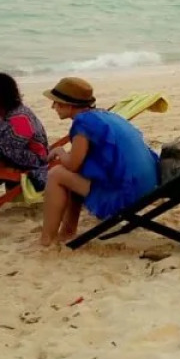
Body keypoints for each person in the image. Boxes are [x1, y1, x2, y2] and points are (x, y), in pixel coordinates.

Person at [38, 77, 158, 247]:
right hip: (147, 182)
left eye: (57, 103)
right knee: (70, 174)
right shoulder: (105, 115)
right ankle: (67, 231)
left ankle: (46, 239)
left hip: (128, 192)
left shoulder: (83, 123)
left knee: (56, 174)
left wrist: (59, 151)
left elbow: (73, 164)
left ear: (70, 104)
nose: (53, 107)